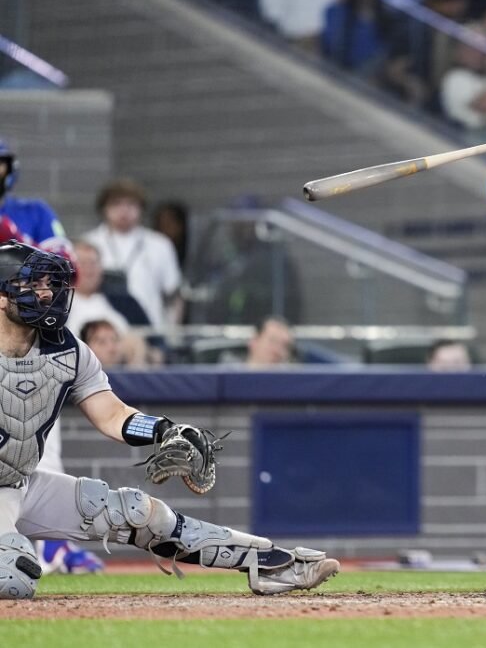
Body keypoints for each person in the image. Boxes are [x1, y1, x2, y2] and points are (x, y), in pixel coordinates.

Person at [0, 241, 339, 599]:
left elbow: (113, 414)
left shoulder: (68, 350)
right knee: (12, 577)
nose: (46, 292)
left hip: (17, 484)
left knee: (140, 514)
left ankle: (272, 563)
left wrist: (164, 431)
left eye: (50, 283)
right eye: (32, 284)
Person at [0, 140, 104, 575]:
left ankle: (51, 547)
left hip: (30, 338)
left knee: (39, 444)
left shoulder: (31, 211)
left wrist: (14, 242)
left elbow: (65, 266)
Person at [83, 179, 181, 331]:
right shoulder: (89, 243)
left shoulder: (160, 244)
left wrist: (172, 332)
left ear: (141, 208)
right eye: (116, 204)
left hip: (150, 330)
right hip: (103, 333)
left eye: (131, 204)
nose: (124, 211)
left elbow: (173, 294)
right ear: (104, 208)